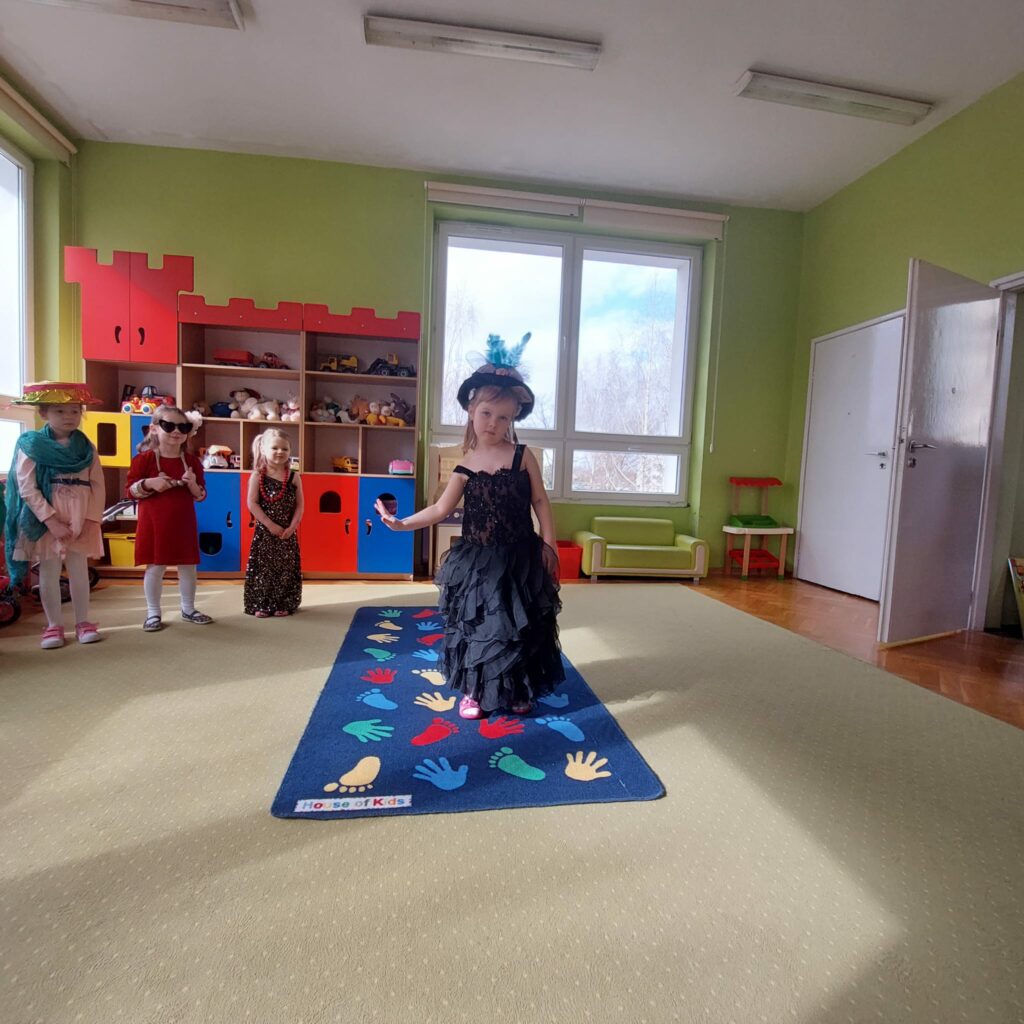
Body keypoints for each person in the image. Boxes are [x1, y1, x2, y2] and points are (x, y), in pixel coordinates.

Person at [376, 334, 563, 719]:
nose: (494, 423)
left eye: (504, 417)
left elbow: (540, 502)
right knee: (481, 625)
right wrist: (401, 524)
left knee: (517, 625)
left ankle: (516, 687)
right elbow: (439, 509)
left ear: (513, 419)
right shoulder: (465, 464)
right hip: (477, 563)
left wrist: (550, 543)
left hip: (520, 558)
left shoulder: (522, 456)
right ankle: (475, 691)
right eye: (486, 413)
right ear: (471, 410)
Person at [4, 382, 106, 649]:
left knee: (79, 568)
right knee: (48, 571)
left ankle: (83, 622)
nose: (68, 417)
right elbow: (27, 486)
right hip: (46, 517)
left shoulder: (86, 447)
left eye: (74, 411)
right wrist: (50, 520)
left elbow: (97, 484)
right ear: (43, 413)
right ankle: (54, 625)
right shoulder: (31, 445)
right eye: (60, 411)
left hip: (80, 514)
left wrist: (91, 520)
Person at [126, 406, 213, 631]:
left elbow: (201, 495)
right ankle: (153, 613)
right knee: (156, 567)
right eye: (169, 425)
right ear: (154, 429)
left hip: (183, 522)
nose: (176, 431)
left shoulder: (192, 461)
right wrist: (149, 483)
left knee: (188, 567)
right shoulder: (144, 460)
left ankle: (188, 608)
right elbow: (130, 491)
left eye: (183, 427)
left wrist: (192, 484)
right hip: (154, 524)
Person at [244, 428, 303, 617]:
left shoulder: (293, 476)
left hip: (287, 533)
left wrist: (293, 526)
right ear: (263, 449)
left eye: (285, 449)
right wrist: (270, 525)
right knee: (264, 568)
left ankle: (283, 602)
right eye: (275, 448)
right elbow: (252, 503)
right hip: (265, 533)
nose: (280, 452)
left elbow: (300, 505)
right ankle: (261, 603)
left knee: (285, 568)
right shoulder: (258, 475)